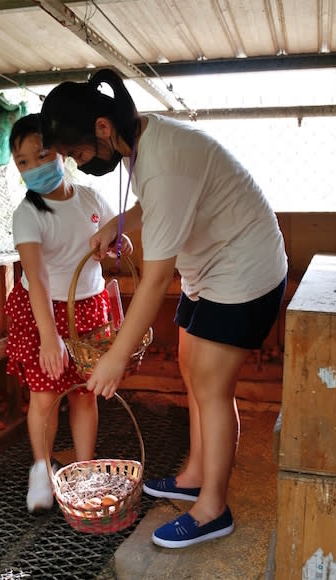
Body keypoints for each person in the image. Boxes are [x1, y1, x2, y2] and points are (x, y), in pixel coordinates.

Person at [39, 69, 288, 548]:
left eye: (76, 152)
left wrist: (115, 357)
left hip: (244, 274)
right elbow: (155, 204)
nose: (76, 162)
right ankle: (195, 472)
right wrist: (118, 222)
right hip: (212, 269)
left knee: (213, 385)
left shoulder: (163, 161)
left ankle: (213, 508)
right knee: (191, 366)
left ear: (102, 129)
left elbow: (153, 281)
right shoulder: (144, 141)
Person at [4, 113, 131, 513]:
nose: (33, 167)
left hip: (90, 308)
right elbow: (36, 277)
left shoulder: (92, 199)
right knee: (45, 395)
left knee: (85, 394)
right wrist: (49, 336)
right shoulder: (28, 214)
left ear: (61, 152)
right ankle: (41, 470)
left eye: (40, 155)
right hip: (43, 311)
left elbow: (117, 244)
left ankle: (86, 470)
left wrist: (117, 246)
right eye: (22, 162)